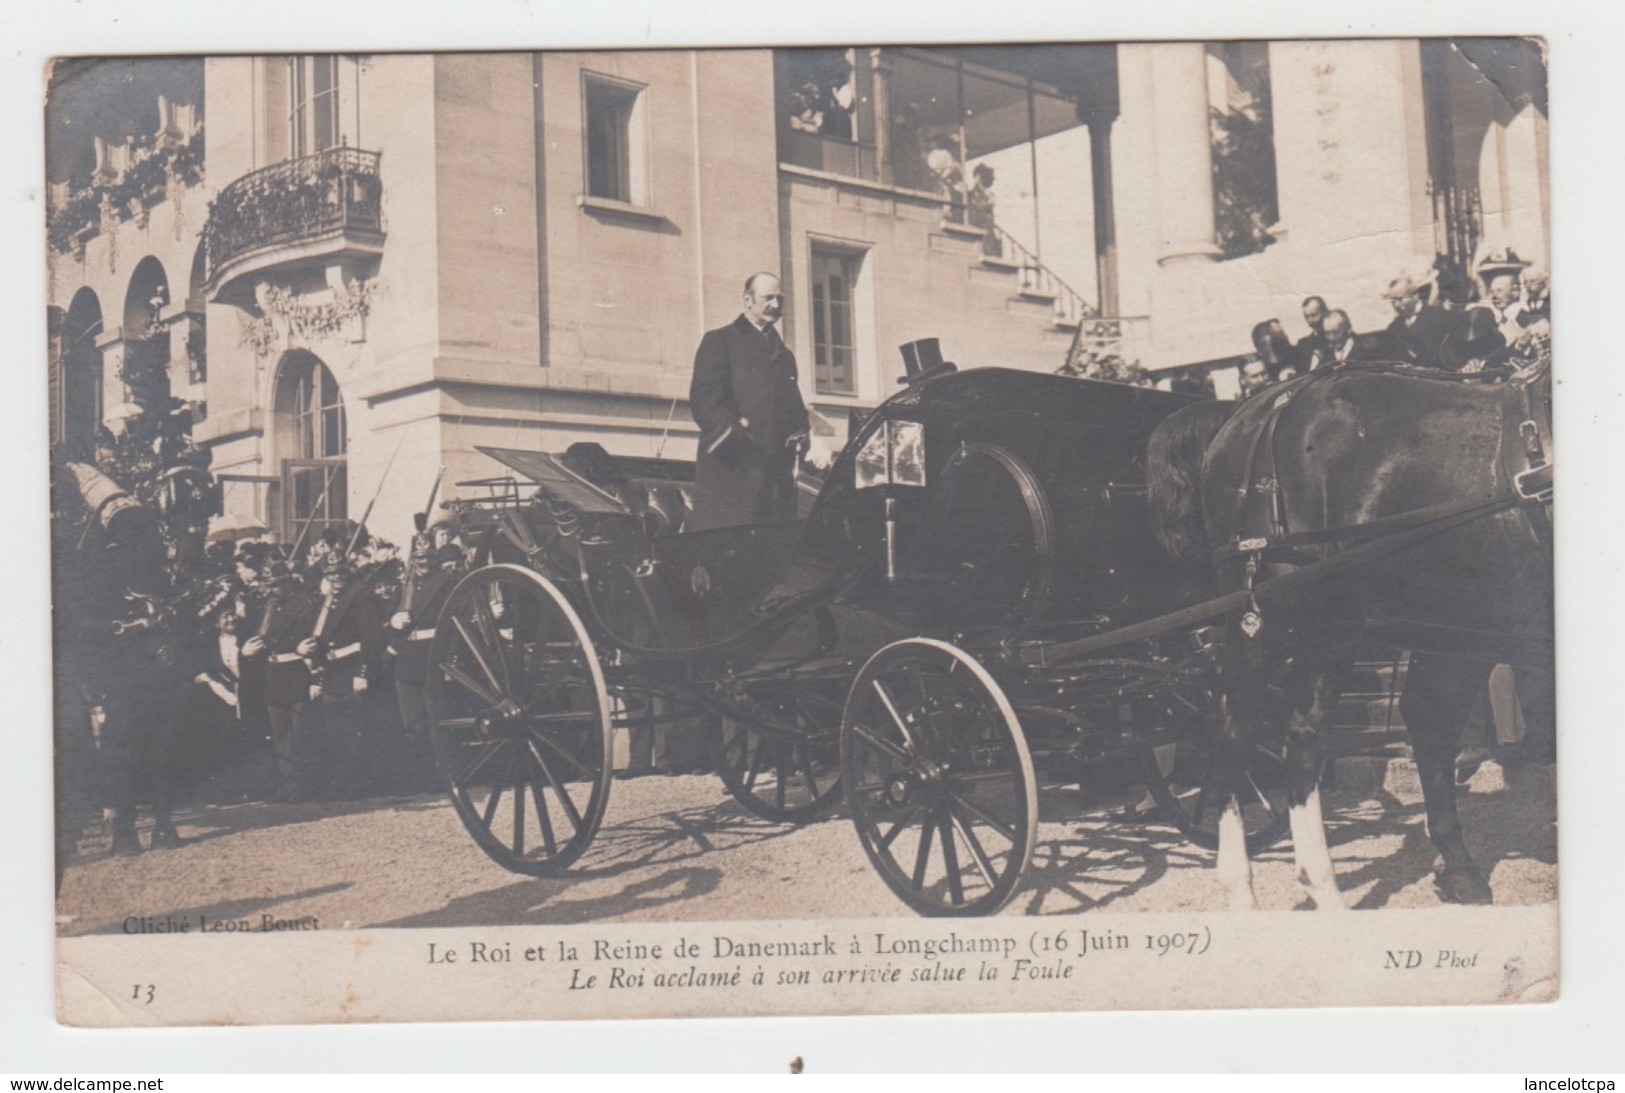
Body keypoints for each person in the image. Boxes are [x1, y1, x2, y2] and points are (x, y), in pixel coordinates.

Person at [689, 272, 811, 530]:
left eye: (780, 299)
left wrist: (804, 433)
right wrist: (739, 440)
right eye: (768, 298)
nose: (776, 306)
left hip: (776, 479)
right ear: (747, 300)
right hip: (732, 474)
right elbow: (704, 401)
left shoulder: (785, 354)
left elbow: (794, 407)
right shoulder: (720, 341)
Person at [389, 510, 466, 790]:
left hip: (435, 655)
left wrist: (451, 661)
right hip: (408, 659)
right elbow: (388, 620)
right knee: (413, 724)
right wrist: (394, 622)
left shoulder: (446, 584)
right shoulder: (404, 586)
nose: (422, 564)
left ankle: (446, 776)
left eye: (428, 559)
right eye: (418, 559)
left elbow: (456, 624)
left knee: (438, 720)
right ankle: (420, 778)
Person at [1382, 271, 1460, 369]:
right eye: (1393, 300)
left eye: (1400, 299)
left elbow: (1453, 356)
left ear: (1415, 295)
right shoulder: (1394, 328)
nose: (1396, 304)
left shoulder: (1439, 316)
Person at [1296, 295, 1332, 370]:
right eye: (1307, 317)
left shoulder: (1338, 340)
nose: (1310, 321)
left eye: (1314, 315)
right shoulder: (1302, 345)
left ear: (1325, 312)